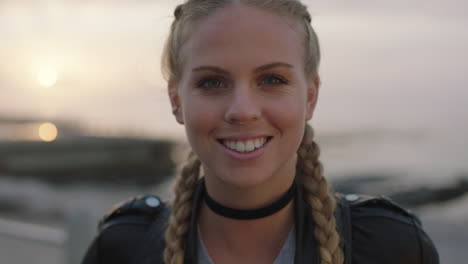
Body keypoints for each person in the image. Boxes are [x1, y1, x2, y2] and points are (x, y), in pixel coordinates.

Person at [81, 0, 439, 263]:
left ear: (310, 97)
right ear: (177, 100)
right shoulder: (121, 247)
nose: (242, 110)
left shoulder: (393, 247)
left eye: (271, 79)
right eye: (212, 82)